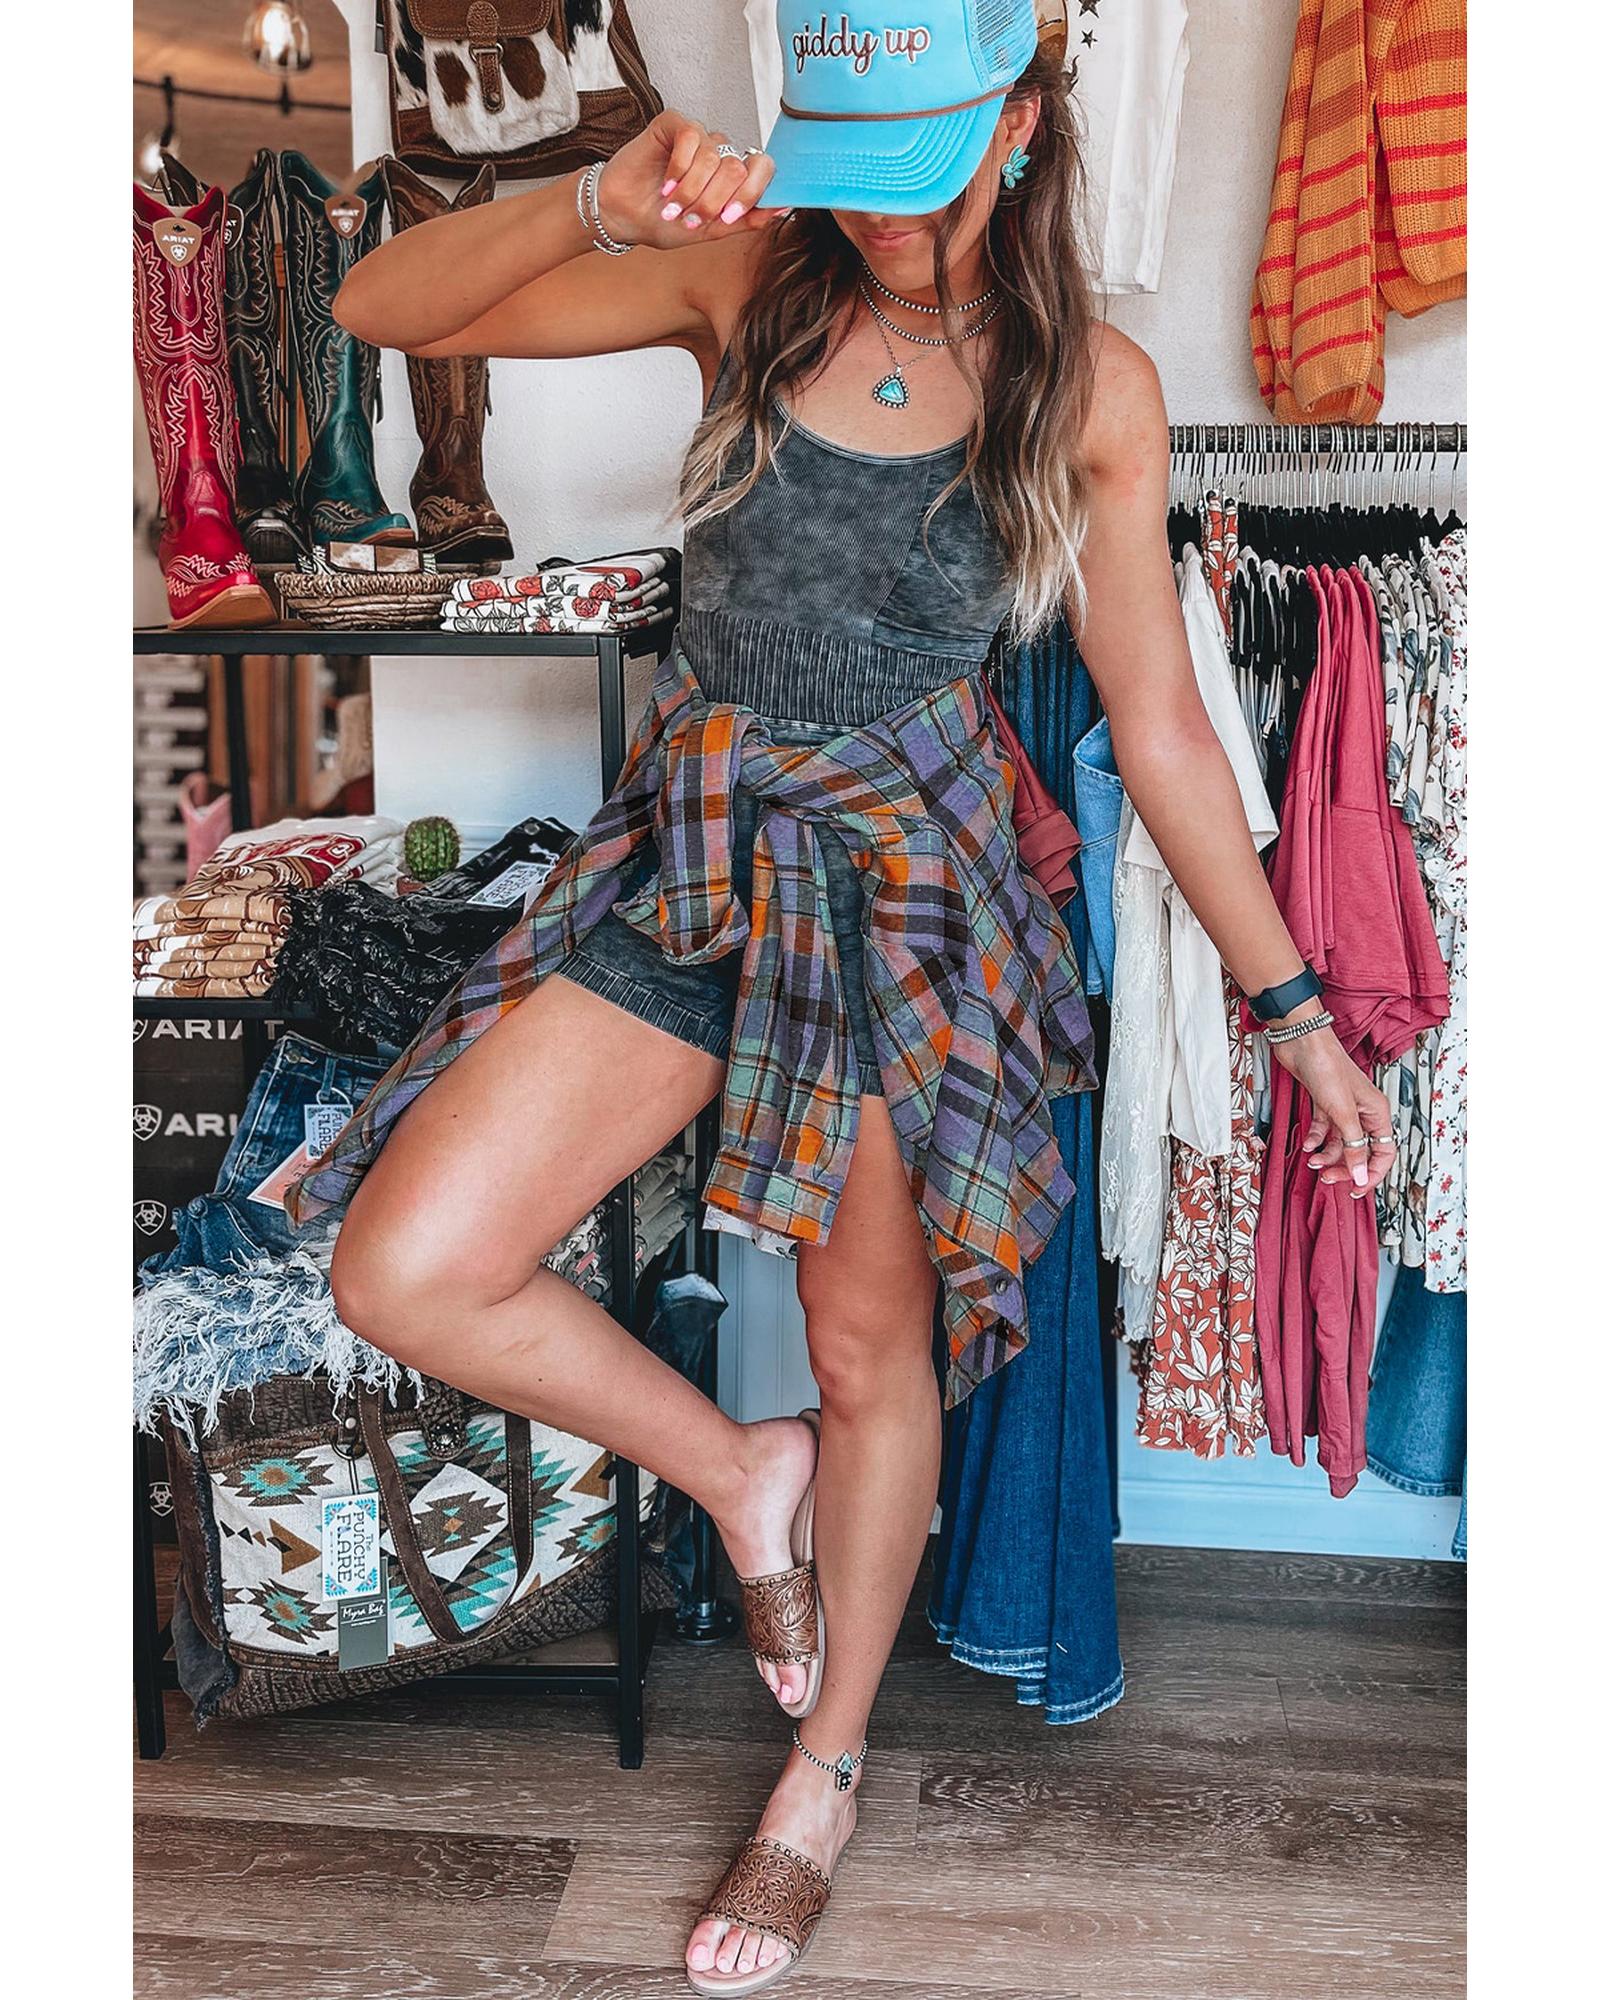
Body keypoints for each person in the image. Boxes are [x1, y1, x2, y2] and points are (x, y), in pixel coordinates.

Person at [315, 3, 1398, 1990]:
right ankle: (746, 1470)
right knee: (406, 1264)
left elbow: (1162, 722)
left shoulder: (1089, 386)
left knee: (866, 1345)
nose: (888, 221)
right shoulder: (743, 278)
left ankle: (820, 1771)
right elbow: (383, 305)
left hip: (907, 895)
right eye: (859, 172)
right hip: (695, 851)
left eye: (926, 172)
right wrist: (592, 196)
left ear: (1019, 119)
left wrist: (1295, 1011)